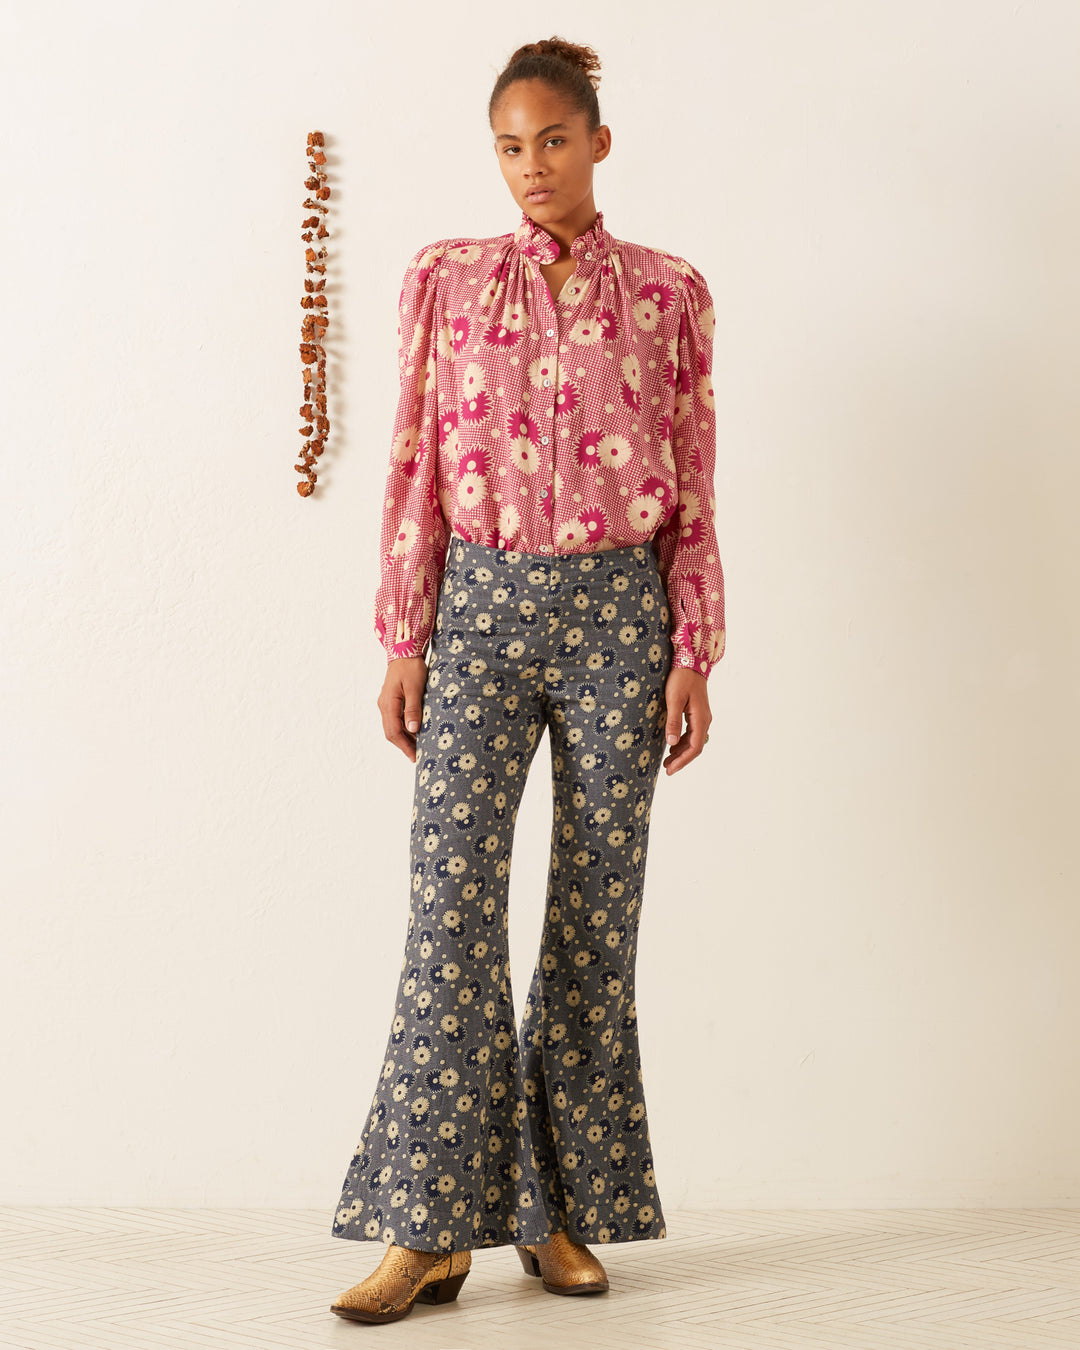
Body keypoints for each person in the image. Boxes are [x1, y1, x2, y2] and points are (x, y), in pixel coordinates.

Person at [328, 34, 726, 1325]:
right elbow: (409, 461)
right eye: (509, 144)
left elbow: (695, 484)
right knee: (449, 904)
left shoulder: (670, 293)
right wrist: (405, 632)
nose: (531, 166)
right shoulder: (444, 280)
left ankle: (557, 1219)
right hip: (480, 613)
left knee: (594, 916)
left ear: (598, 142)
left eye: (554, 139)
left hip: (620, 614)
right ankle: (426, 1231)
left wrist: (691, 650)